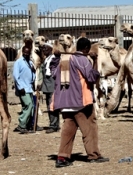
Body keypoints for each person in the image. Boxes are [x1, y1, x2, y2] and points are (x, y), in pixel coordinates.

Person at [49, 37, 109, 167]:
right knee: (90, 129)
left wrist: (55, 58)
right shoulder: (82, 60)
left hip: (64, 103)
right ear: (87, 48)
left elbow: (53, 73)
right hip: (80, 102)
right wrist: (94, 60)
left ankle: (62, 157)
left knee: (68, 132)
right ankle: (94, 155)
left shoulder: (63, 60)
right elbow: (92, 77)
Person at [13, 45, 36, 133]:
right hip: (23, 88)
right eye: (25, 52)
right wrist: (20, 87)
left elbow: (33, 75)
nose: (26, 54)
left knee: (30, 107)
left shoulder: (30, 62)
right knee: (29, 105)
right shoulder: (18, 62)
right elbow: (16, 76)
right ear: (22, 52)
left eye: (28, 52)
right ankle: (21, 124)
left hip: (29, 88)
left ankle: (27, 125)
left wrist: (33, 73)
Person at [39, 44, 60, 133]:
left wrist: (58, 55)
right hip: (47, 86)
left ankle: (53, 125)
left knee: (52, 106)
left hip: (52, 86)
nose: (44, 50)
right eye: (43, 49)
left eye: (46, 48)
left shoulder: (53, 58)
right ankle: (54, 124)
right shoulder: (46, 59)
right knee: (49, 105)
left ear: (51, 49)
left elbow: (57, 61)